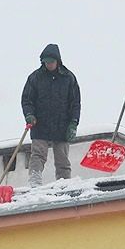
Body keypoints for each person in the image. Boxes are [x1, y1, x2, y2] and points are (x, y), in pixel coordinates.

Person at [21, 43, 81, 187]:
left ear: (58, 61)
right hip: (40, 124)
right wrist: (29, 115)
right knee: (37, 155)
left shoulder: (68, 78)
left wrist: (74, 122)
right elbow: (27, 100)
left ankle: (64, 183)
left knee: (62, 159)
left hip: (62, 125)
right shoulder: (35, 78)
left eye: (51, 62)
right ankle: (35, 181)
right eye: (46, 62)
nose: (49, 65)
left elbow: (75, 103)